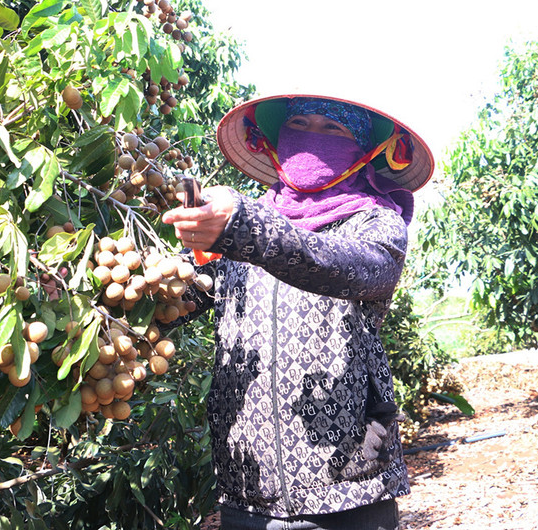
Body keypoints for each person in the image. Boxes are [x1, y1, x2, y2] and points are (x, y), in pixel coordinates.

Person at [160, 94, 434, 530]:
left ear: (363, 147)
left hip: (348, 485)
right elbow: (180, 298)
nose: (311, 138)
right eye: (300, 124)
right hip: (249, 484)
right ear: (277, 138)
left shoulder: (377, 222)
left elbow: (340, 264)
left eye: (333, 129)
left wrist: (244, 229)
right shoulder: (238, 226)